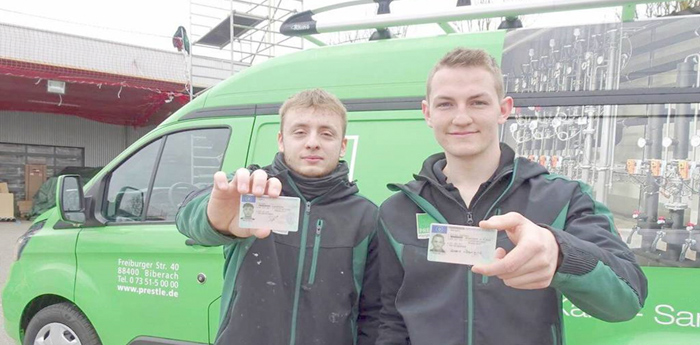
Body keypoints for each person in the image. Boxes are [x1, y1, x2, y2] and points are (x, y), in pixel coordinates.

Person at [376, 48, 648, 345]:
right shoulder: (396, 212)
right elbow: (390, 317)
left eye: (478, 102)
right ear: (428, 113)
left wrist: (561, 253)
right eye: (446, 104)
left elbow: (627, 299)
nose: (462, 118)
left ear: (503, 109)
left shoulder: (562, 197)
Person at [176, 89, 380, 345]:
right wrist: (214, 221)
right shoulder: (249, 190)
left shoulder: (367, 217)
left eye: (326, 133)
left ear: (342, 146)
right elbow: (187, 216)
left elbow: (375, 314)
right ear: (281, 140)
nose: (313, 142)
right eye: (300, 132)